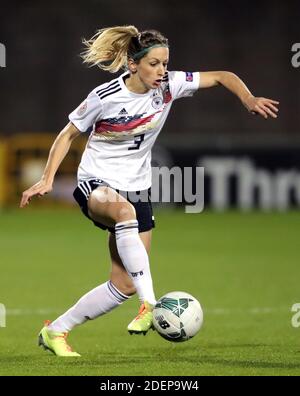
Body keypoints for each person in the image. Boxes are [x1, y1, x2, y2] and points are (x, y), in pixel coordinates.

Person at [20, 25, 279, 357]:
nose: (162, 71)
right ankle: (150, 305)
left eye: (165, 64)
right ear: (133, 65)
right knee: (124, 213)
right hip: (97, 182)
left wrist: (248, 99)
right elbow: (67, 134)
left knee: (124, 283)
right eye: (154, 64)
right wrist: (47, 178)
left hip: (138, 187)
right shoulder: (105, 97)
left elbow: (223, 76)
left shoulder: (169, 86)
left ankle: (55, 331)